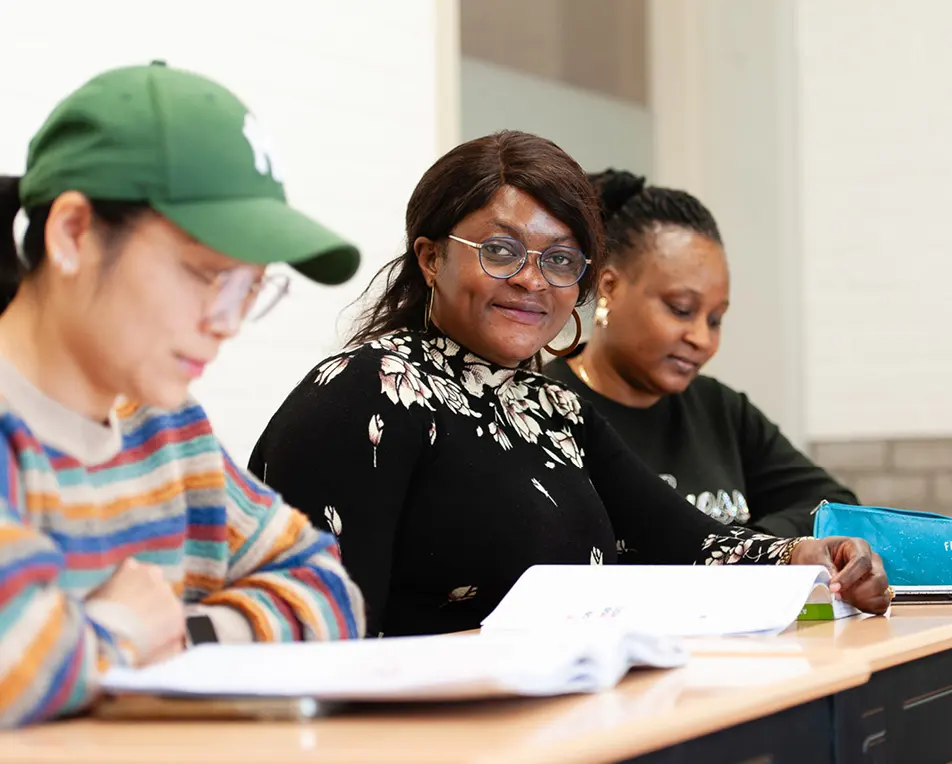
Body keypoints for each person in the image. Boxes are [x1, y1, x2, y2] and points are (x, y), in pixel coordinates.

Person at [249, 130, 889, 640]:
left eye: (560, 259)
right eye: (501, 250)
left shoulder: (552, 409)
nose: (533, 280)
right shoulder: (365, 393)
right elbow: (318, 634)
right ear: (430, 257)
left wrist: (801, 556)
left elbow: (693, 543)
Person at [0, 61, 365, 728]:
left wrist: (178, 636)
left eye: (249, 289)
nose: (225, 322)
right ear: (73, 233)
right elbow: (14, 661)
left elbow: (328, 589)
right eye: (205, 274)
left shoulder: (166, 426)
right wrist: (119, 629)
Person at [545, 171, 856, 538]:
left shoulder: (720, 410)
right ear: (609, 288)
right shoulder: (545, 409)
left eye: (715, 319)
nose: (702, 338)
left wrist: (742, 553)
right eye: (681, 309)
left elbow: (835, 507)